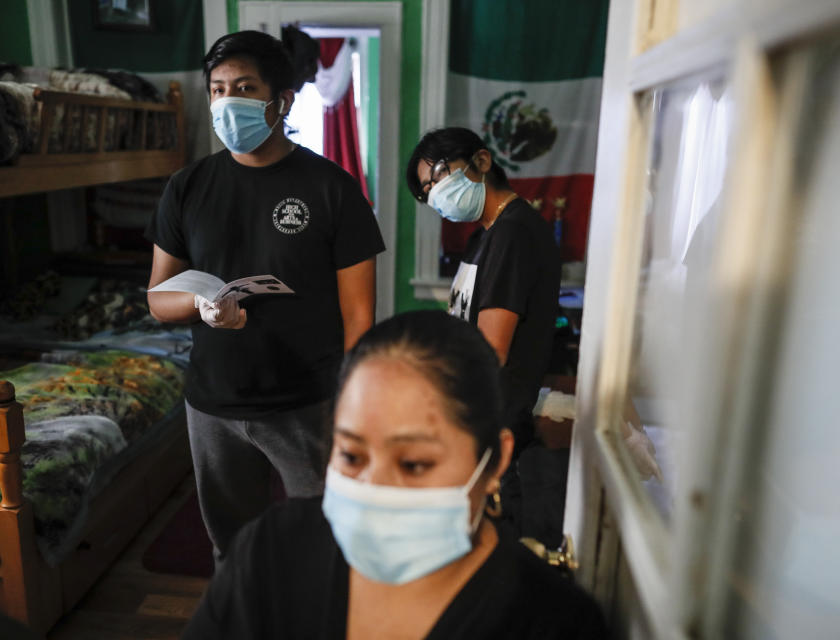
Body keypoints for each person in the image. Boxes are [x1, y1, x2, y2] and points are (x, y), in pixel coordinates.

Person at [183, 310, 606, 639]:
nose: (373, 488)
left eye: (414, 465)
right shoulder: (271, 553)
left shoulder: (555, 623)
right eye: (351, 455)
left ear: (494, 463)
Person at [145, 30, 385, 561]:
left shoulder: (333, 188)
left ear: (282, 100)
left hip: (307, 401)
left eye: (245, 87)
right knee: (232, 550)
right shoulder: (186, 188)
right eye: (217, 88)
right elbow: (159, 297)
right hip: (213, 404)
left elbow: (358, 313)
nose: (228, 100)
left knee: (323, 543)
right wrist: (202, 307)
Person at [406, 128, 563, 544]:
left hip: (497, 418)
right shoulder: (485, 235)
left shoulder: (514, 232)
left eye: (438, 176)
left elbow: (491, 347)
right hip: (475, 411)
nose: (435, 193)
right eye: (426, 189)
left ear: (482, 161)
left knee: (496, 540)